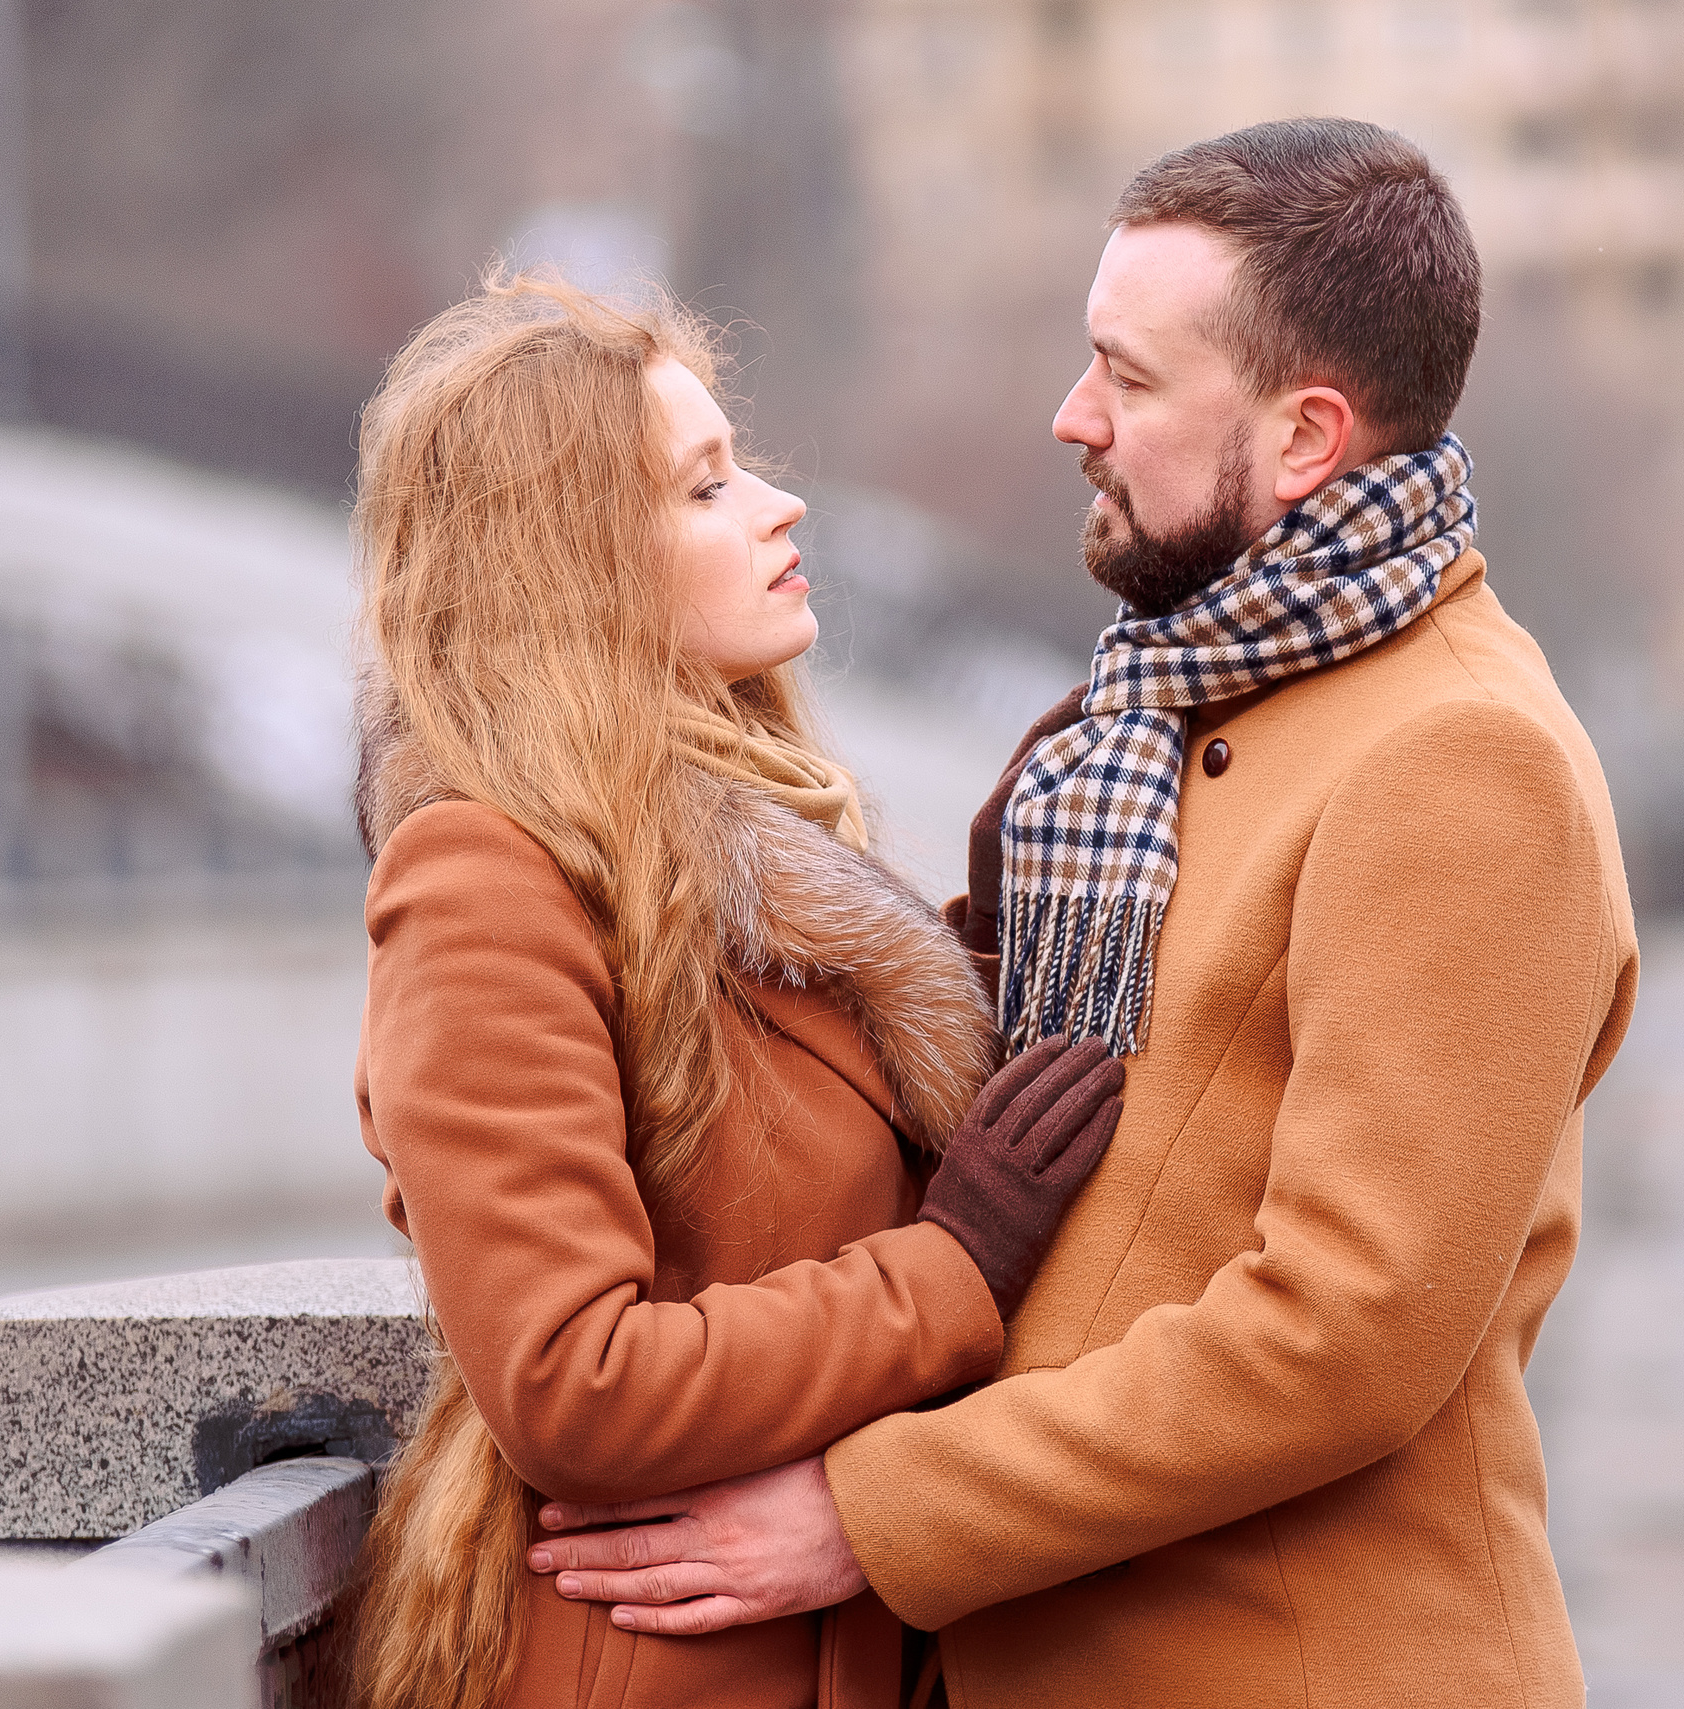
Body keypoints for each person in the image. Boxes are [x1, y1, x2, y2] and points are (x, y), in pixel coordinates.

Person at [520, 119, 1643, 1708]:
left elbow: (1347, 1334)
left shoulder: (1461, 759)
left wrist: (868, 1515)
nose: (1074, 416)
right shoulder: (1148, 726)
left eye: (1128, 375)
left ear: (1306, 437)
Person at [342, 273, 1126, 1709]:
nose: (778, 505)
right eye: (706, 489)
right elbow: (570, 1380)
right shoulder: (482, 877)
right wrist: (954, 1265)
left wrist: (996, 919)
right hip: (646, 1664)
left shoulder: (749, 862)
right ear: (574, 563)